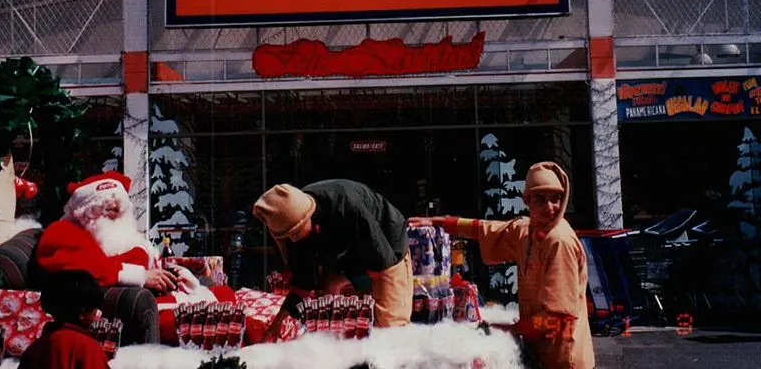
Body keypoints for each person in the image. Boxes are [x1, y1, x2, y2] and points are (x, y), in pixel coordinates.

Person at [409, 162, 595, 369]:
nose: (549, 207)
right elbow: (485, 229)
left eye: (556, 199)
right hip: (542, 351)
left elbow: (558, 319)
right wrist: (440, 222)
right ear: (527, 201)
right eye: (540, 200)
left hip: (564, 357)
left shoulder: (559, 242)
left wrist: (513, 329)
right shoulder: (527, 230)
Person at [36, 171, 235, 343]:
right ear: (84, 211)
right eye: (106, 208)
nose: (114, 211)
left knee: (225, 294)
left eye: (118, 208)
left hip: (163, 296)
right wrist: (141, 276)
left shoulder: (124, 235)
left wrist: (178, 276)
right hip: (135, 305)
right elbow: (82, 267)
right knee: (219, 322)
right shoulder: (63, 231)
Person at [252, 179, 412, 341]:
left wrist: (340, 281)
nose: (293, 239)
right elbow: (303, 283)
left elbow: (380, 266)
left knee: (388, 327)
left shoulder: (349, 206)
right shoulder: (292, 226)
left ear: (308, 215)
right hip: (347, 258)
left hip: (386, 249)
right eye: (287, 236)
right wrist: (278, 323)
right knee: (346, 327)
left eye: (295, 232)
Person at [18, 269, 109, 369]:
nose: (97, 313)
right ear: (82, 312)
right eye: (94, 308)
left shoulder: (35, 348)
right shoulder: (87, 349)